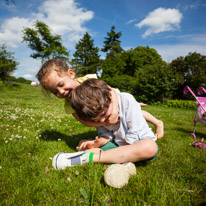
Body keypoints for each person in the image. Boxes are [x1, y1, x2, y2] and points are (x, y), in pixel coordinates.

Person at [36, 58, 164, 138]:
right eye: (54, 92)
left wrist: (115, 110)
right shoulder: (69, 104)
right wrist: (104, 122)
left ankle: (157, 123)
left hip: (114, 100)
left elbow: (110, 91)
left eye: (61, 85)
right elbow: (83, 121)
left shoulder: (88, 79)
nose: (61, 92)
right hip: (102, 113)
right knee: (120, 124)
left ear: (71, 74)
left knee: (134, 112)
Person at [52, 78, 158, 170]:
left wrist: (123, 150)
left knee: (150, 146)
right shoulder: (100, 116)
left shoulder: (127, 100)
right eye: (97, 120)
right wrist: (99, 141)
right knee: (84, 145)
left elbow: (135, 131)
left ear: (110, 98)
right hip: (118, 144)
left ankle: (92, 157)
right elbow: (107, 133)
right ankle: (107, 158)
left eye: (104, 115)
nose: (103, 121)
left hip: (137, 143)